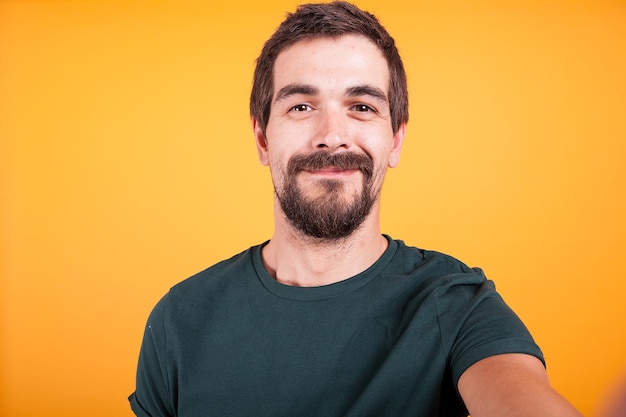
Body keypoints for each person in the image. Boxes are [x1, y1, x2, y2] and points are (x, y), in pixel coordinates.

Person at [129, 2, 582, 416]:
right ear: (263, 139)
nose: (332, 135)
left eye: (362, 106)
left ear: (396, 139)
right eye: (301, 105)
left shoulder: (458, 306)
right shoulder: (180, 319)